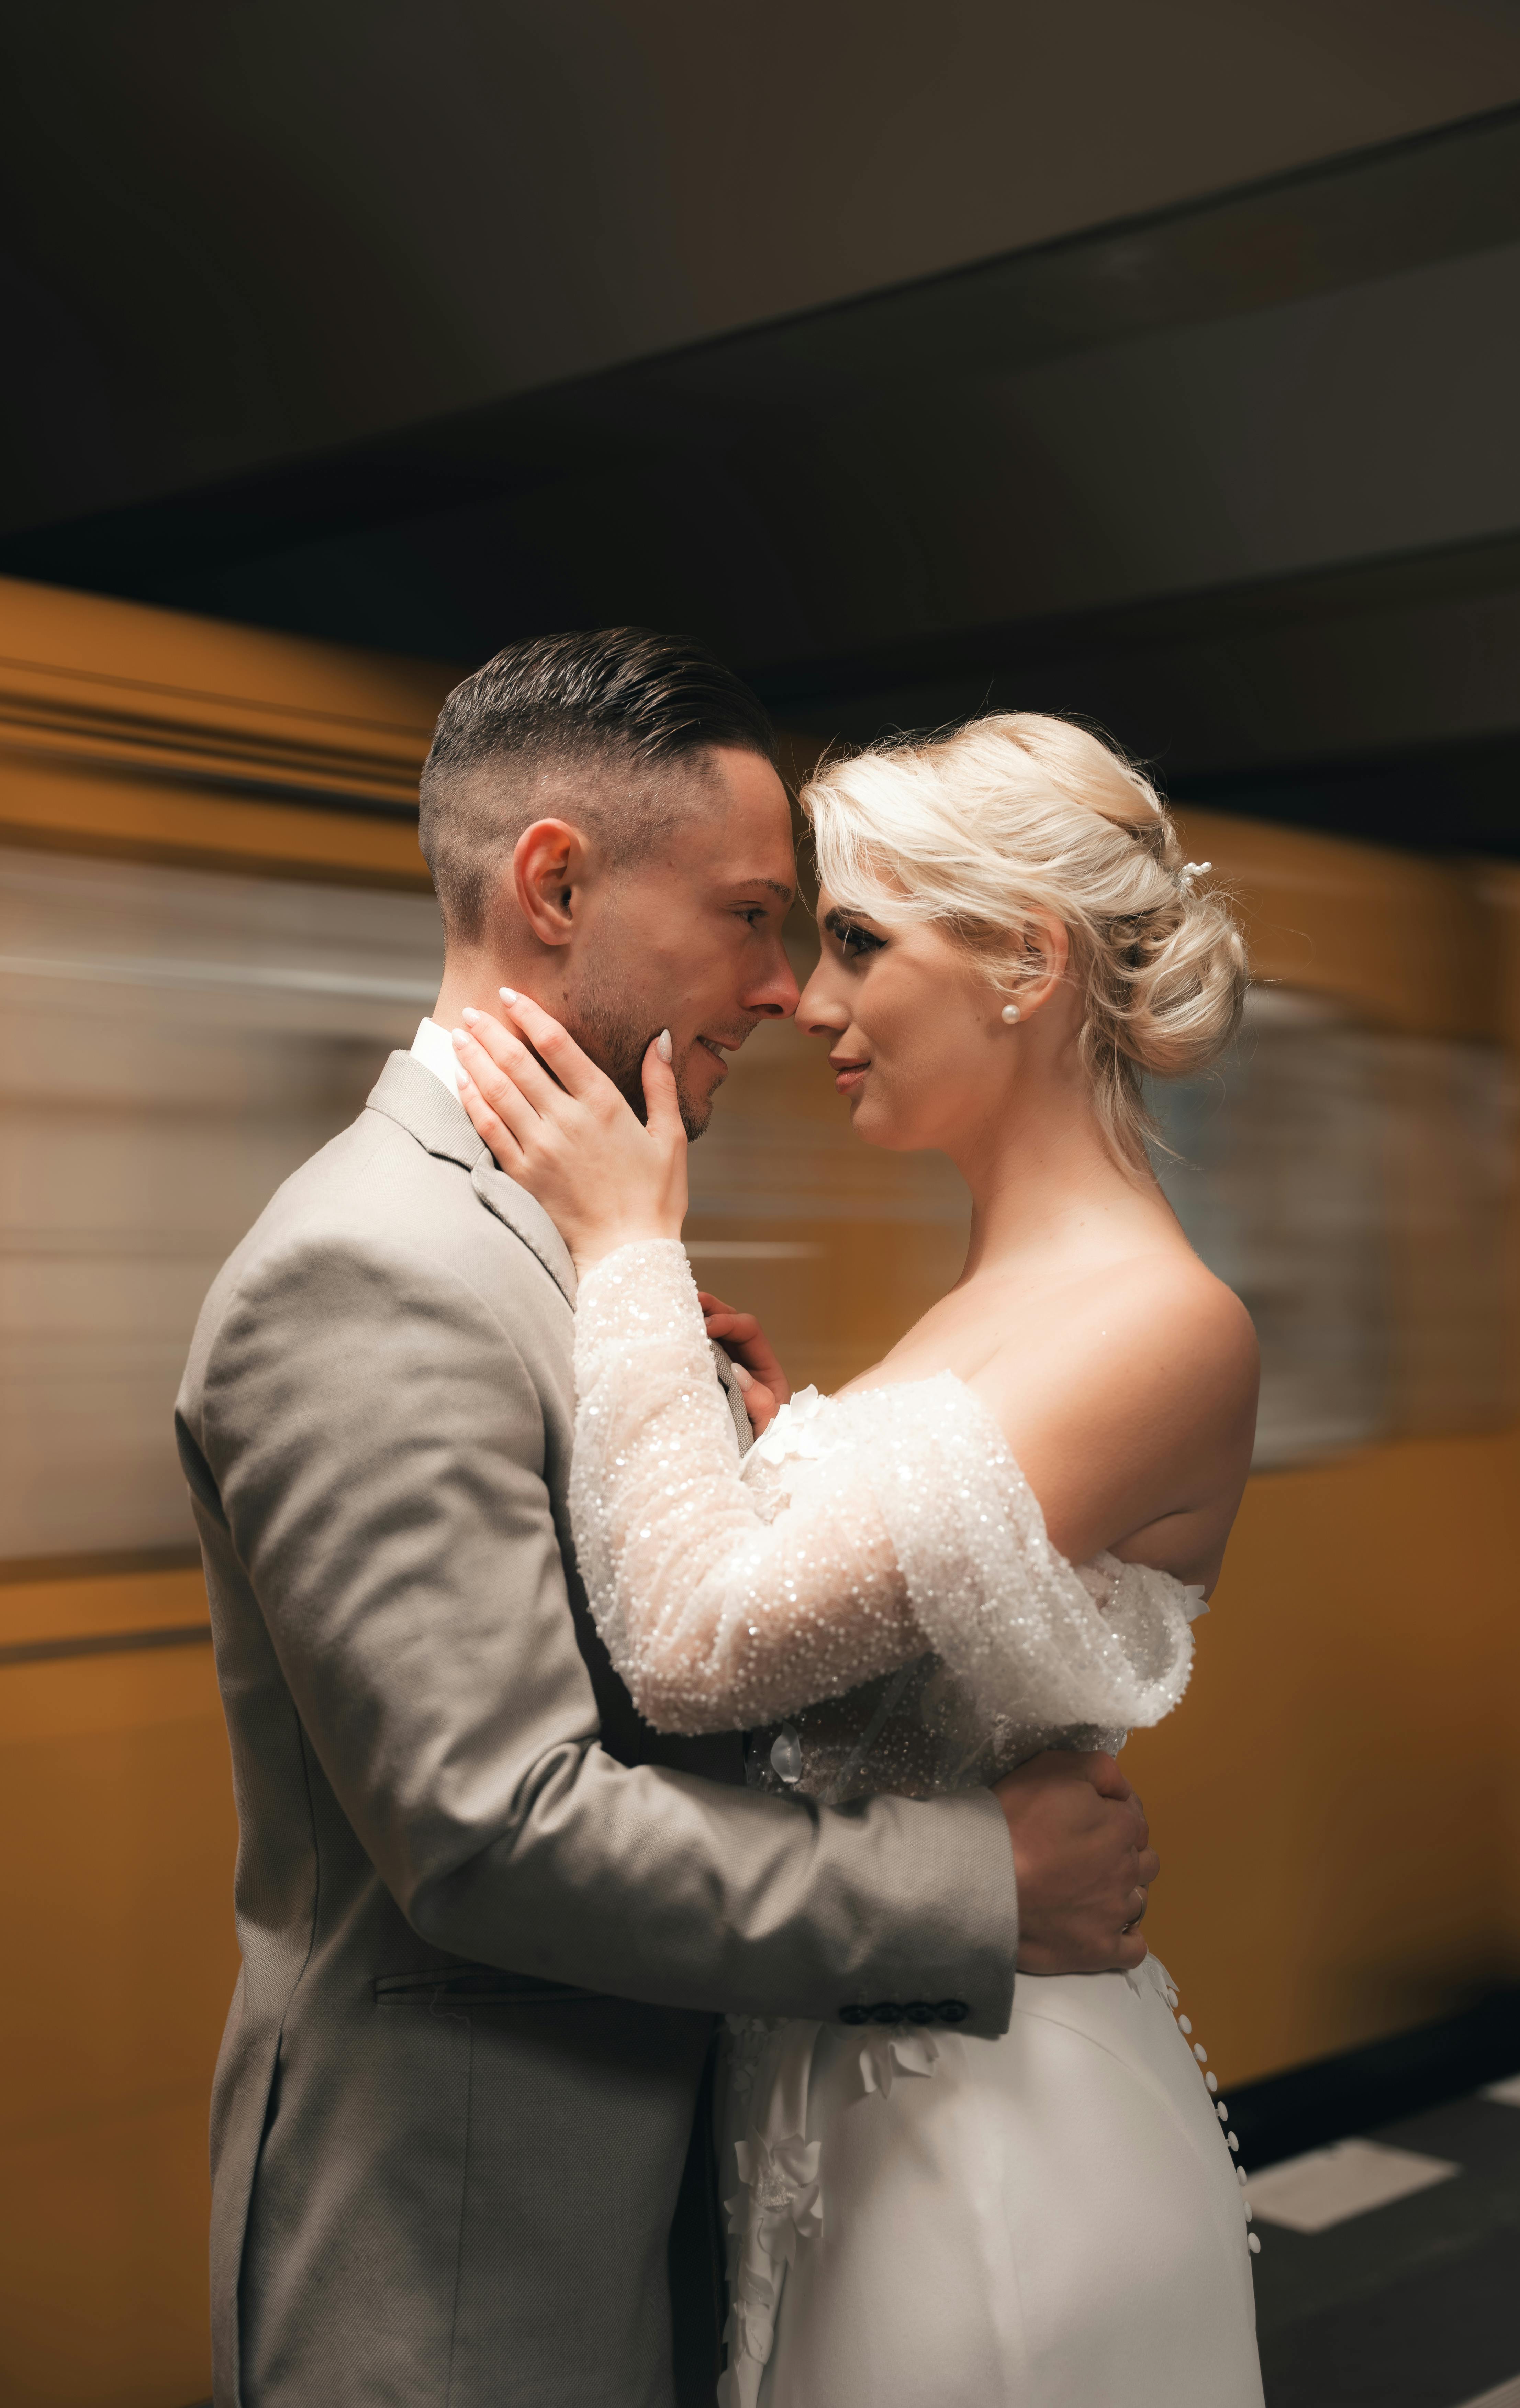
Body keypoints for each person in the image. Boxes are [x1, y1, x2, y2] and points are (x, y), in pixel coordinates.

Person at [177, 635, 1162, 2408]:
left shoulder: (569, 1226)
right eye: (753, 917)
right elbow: (498, 1828)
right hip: (473, 2279)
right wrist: (978, 1884)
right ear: (556, 884)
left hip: (647, 2231)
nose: (785, 990)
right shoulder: (371, 1271)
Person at [452, 708, 1265, 2407]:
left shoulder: (1163, 1322)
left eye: (853, 942)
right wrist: (742, 1435)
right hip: (864, 2105)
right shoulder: (991, 1310)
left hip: (990, 2145)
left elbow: (698, 1645)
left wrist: (625, 1257)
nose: (807, 1003)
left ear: (1026, 963)